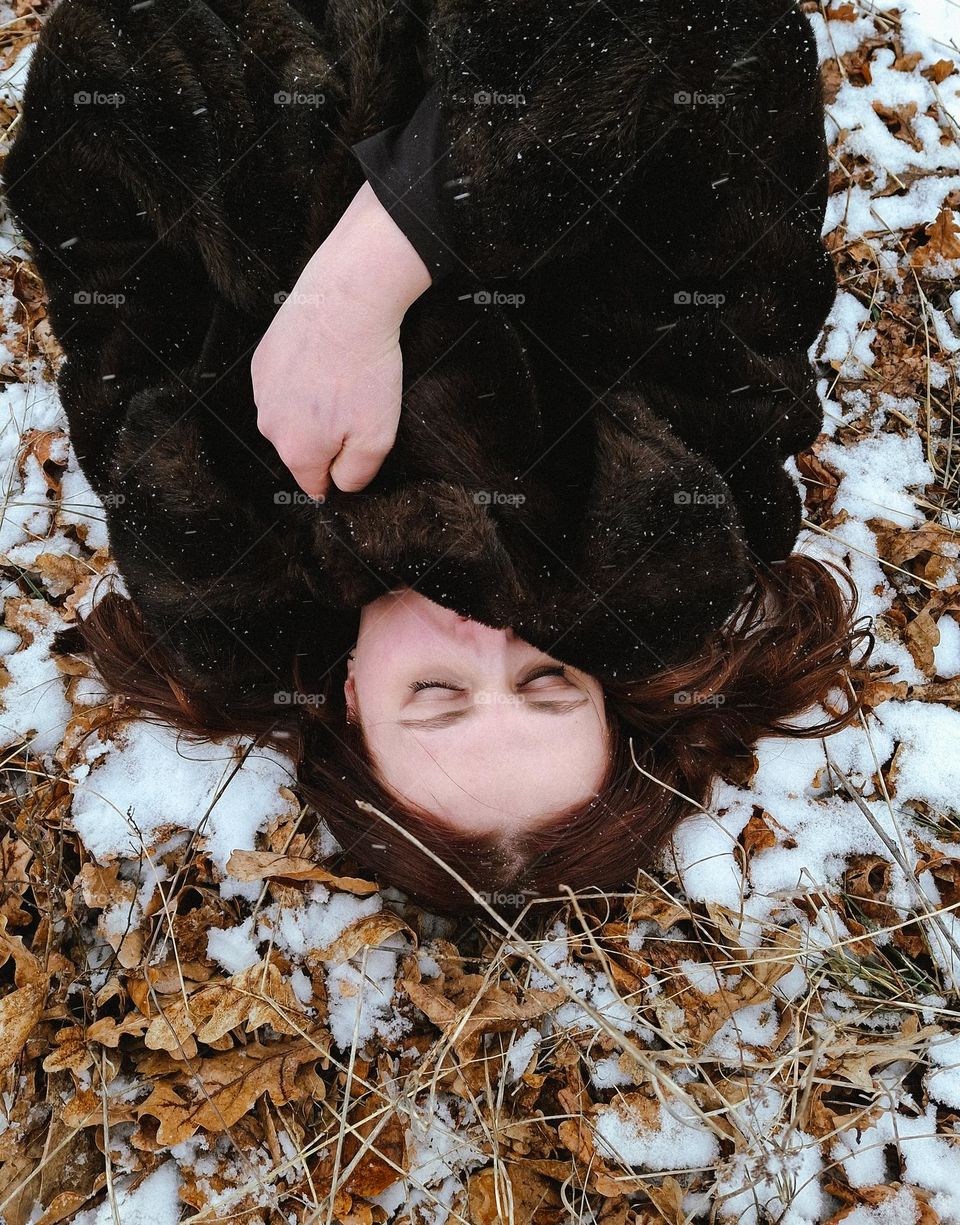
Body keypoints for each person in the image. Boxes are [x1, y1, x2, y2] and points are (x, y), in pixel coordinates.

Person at [1, 0, 872, 916]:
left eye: (437, 693)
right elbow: (728, 42)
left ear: (348, 700)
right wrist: (380, 258)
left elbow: (88, 109)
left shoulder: (206, 516)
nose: (489, 638)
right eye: (549, 678)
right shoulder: (677, 478)